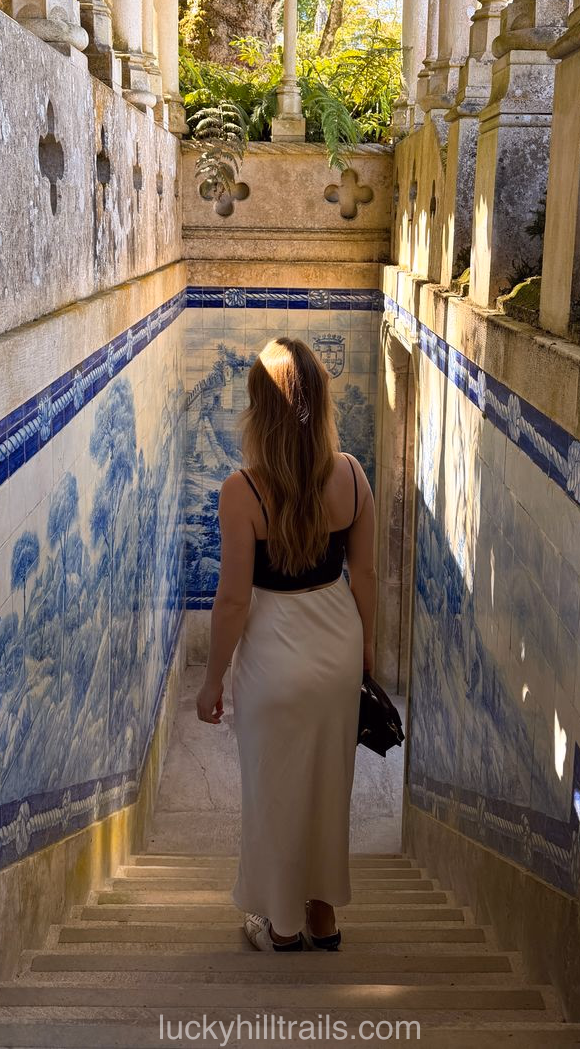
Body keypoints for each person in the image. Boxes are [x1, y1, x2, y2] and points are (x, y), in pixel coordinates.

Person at [196, 337, 376, 952]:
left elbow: (234, 601)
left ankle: (282, 925)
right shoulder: (351, 476)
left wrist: (212, 680)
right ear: (321, 405)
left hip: (273, 661)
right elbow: (368, 578)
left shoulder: (241, 491)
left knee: (273, 793)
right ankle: (324, 918)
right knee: (330, 786)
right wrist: (368, 657)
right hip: (336, 656)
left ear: (259, 412)